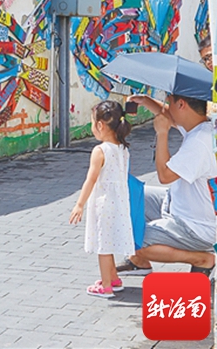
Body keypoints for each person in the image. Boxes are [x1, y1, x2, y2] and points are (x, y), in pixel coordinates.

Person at [117, 93, 217, 276]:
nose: (166, 107)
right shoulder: (201, 125)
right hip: (179, 204)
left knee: (129, 238)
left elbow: (164, 175)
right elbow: (170, 117)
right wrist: (146, 101)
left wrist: (162, 133)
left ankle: (201, 258)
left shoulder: (199, 143)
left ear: (182, 104)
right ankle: (140, 263)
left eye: (168, 102)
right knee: (126, 195)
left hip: (195, 227)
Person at [69, 101, 134, 298]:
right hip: (120, 202)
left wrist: (79, 204)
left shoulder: (100, 151)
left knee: (103, 245)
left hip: (104, 203)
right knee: (109, 241)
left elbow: (91, 179)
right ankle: (113, 278)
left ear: (100, 125)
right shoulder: (123, 149)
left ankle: (106, 286)